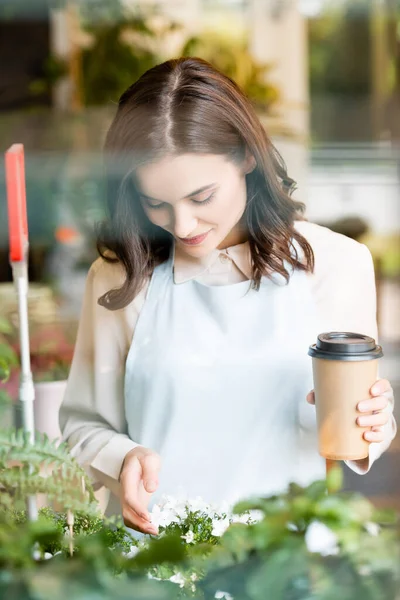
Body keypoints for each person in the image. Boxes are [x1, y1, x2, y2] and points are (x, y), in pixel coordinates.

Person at [60, 57, 396, 536]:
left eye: (201, 197)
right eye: (155, 203)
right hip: (157, 562)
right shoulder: (121, 278)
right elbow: (83, 425)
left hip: (286, 565)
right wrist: (123, 459)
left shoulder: (337, 264)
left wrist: (374, 428)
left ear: (246, 157)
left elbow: (352, 434)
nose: (181, 226)